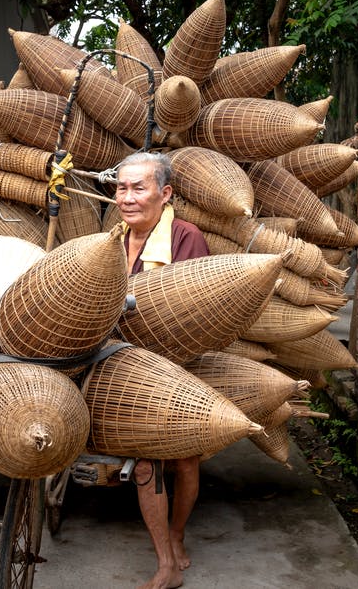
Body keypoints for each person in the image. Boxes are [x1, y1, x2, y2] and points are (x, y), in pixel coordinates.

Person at [114, 151, 209, 589]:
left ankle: (177, 533)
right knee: (147, 457)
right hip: (124, 363)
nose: (127, 198)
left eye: (138, 188)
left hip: (176, 363)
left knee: (186, 460)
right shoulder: (111, 240)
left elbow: (196, 308)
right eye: (121, 188)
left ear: (165, 193)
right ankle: (166, 562)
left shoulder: (185, 238)